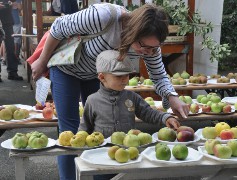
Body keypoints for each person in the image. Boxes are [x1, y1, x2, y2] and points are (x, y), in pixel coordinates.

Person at [30, 3, 189, 180]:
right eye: (144, 47)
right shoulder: (103, 16)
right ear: (134, 31)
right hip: (66, 69)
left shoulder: (150, 45)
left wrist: (172, 97)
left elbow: (158, 74)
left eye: (154, 48)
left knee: (100, 130)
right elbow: (58, 27)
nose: (148, 52)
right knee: (71, 133)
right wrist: (42, 61)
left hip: (97, 76)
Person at [80, 50, 180, 137]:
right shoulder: (92, 100)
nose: (125, 80)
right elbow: (84, 128)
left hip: (128, 151)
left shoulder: (132, 97)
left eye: (126, 75)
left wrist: (166, 117)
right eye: (118, 76)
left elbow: (149, 113)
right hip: (102, 152)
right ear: (102, 77)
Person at [0, 0, 23, 80]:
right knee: (10, 46)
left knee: (11, 47)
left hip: (7, 20)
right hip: (6, 20)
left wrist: (10, 3)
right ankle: (12, 72)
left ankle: (12, 73)